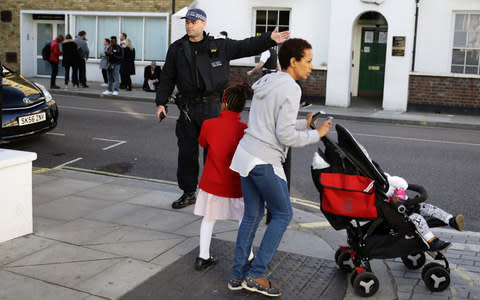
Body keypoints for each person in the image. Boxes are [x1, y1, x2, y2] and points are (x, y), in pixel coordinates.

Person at [155, 8, 289, 209]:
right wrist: (161, 103)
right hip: (188, 110)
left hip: (212, 107)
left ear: (203, 24)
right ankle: (189, 192)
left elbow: (245, 46)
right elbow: (167, 77)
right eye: (187, 22)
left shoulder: (219, 46)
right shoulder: (177, 48)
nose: (189, 25)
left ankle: (215, 194)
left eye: (193, 22)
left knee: (216, 154)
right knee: (186, 153)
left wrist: (269, 39)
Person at [228, 38, 332, 297]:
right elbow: (285, 137)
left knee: (252, 216)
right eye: (307, 61)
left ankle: (237, 275)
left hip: (246, 155)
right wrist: (316, 134)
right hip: (264, 160)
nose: (311, 66)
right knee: (283, 214)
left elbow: (271, 121)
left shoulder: (268, 81)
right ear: (293, 62)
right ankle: (256, 274)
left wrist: (303, 123)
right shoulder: (291, 89)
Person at [194, 84, 254, 271]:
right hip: (236, 184)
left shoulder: (209, 124)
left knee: (208, 219)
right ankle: (249, 256)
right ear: (242, 107)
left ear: (224, 103)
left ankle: (203, 257)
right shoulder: (245, 129)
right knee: (243, 221)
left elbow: (203, 142)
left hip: (212, 182)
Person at [387, 175, 465, 251]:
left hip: (409, 205)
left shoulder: (389, 182)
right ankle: (432, 241)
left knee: (429, 207)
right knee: (418, 219)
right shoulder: (386, 196)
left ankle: (451, 220)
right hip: (403, 214)